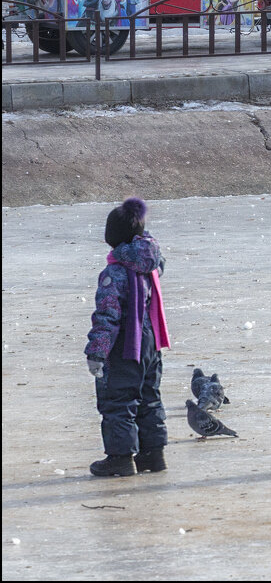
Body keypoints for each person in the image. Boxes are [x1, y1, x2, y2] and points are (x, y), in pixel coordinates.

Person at [85, 197, 170, 477]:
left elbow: (107, 315)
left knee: (119, 401)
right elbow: (154, 254)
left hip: (126, 344)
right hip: (151, 342)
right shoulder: (151, 266)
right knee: (148, 397)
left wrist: (97, 352)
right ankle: (152, 456)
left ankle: (120, 459)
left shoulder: (115, 272)